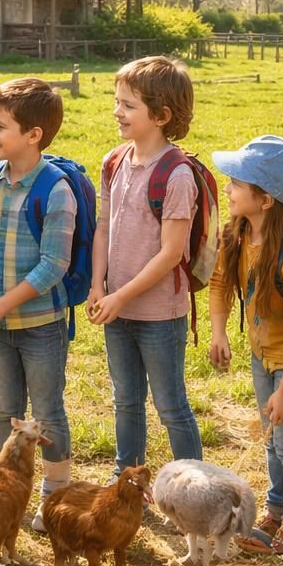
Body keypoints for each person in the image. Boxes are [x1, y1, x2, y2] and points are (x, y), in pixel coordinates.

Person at [0, 78, 75, 530]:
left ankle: (56, 499)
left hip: (41, 324)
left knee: (46, 411)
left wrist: (1, 305)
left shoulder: (56, 189)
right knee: (6, 409)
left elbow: (53, 266)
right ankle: (5, 489)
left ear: (33, 135)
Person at [207, 135, 283, 557]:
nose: (229, 187)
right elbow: (220, 284)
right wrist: (219, 332)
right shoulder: (238, 233)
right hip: (264, 353)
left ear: (267, 200)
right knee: (273, 439)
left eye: (238, 182)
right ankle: (276, 510)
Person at [88, 56, 204, 477]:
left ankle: (192, 485)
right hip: (116, 305)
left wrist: (120, 295)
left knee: (170, 405)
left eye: (129, 105)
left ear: (162, 115)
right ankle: (128, 481)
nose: (117, 112)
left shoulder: (176, 176)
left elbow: (172, 253)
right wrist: (98, 285)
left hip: (158, 313)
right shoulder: (114, 162)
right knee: (126, 400)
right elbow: (103, 228)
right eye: (117, 102)